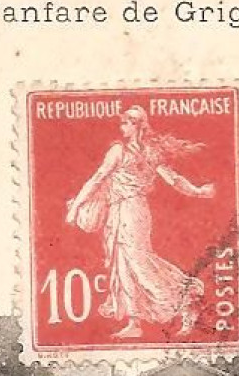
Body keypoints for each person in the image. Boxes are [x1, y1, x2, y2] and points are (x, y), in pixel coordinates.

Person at [63, 92, 214, 343]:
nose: (122, 127)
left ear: (137, 126)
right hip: (127, 210)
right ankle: (135, 321)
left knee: (138, 263)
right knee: (125, 263)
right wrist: (197, 191)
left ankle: (187, 297)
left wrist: (75, 207)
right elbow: (173, 179)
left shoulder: (121, 151)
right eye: (122, 123)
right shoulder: (146, 152)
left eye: (126, 123)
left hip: (129, 211)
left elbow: (98, 178)